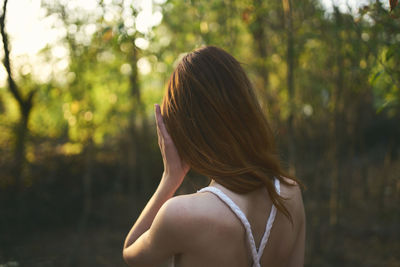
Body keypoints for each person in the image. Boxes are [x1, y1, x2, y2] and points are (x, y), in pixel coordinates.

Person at [122, 46, 306, 267]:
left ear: (186, 131)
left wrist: (170, 179)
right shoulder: (291, 194)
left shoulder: (181, 215)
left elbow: (131, 254)